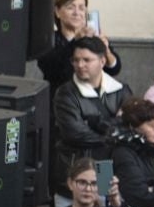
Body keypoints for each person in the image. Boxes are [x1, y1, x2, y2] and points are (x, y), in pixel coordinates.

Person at [51, 38, 131, 197]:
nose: (80, 65)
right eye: (76, 60)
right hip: (77, 165)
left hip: (109, 164)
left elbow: (130, 127)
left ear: (102, 61)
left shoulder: (121, 90)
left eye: (86, 60)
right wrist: (114, 130)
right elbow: (75, 133)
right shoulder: (65, 94)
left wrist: (94, 123)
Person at [36, 0, 122, 91]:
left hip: (91, 100)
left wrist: (106, 52)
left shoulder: (93, 37)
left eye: (81, 8)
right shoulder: (48, 39)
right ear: (57, 12)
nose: (77, 13)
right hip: (60, 99)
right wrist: (75, 41)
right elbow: (51, 69)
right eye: (70, 8)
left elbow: (114, 69)